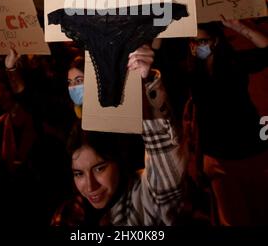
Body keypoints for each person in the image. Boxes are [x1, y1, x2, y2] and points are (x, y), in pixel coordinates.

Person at [52, 44, 186, 227]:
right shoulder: (71, 215)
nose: (90, 186)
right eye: (78, 173)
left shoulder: (145, 199)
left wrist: (143, 84)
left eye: (100, 168)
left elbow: (163, 155)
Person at [185, 16, 268, 226]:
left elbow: (266, 51)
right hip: (219, 158)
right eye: (193, 42)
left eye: (202, 41)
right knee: (231, 219)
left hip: (251, 149)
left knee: (260, 211)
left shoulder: (234, 63)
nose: (197, 47)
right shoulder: (193, 73)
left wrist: (240, 27)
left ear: (215, 41)